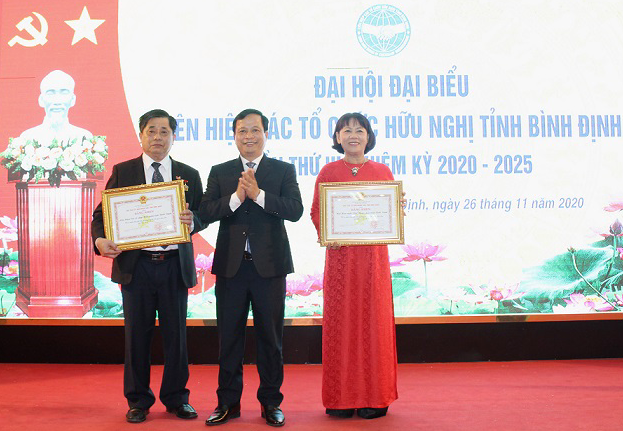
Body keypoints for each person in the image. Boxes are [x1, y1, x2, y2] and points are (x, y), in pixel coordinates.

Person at [91, 109, 204, 423]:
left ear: (173, 136)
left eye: (164, 131)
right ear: (141, 135)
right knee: (136, 336)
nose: (158, 137)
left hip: (173, 266)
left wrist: (193, 220)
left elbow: (202, 214)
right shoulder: (123, 171)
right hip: (137, 267)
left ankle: (176, 399)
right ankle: (138, 401)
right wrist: (100, 241)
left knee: (176, 338)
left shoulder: (188, 174)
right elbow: (102, 215)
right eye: (151, 131)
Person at [199, 108, 303, 427]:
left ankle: (271, 403)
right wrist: (235, 198)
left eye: (255, 130)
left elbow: (295, 210)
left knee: (270, 339)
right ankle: (228, 403)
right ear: (234, 135)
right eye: (242, 131)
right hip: (232, 269)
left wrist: (258, 196)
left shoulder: (282, 171)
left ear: (265, 134)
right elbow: (205, 211)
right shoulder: (220, 171)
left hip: (269, 269)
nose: (249, 136)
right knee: (229, 339)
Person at [310, 113, 398, 419]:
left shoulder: (382, 171)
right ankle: (340, 399)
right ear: (337, 137)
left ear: (368, 136)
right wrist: (328, 234)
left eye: (359, 130)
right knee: (342, 325)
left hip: (373, 261)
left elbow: (390, 214)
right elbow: (317, 212)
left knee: (374, 325)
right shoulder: (329, 172)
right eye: (346, 130)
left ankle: (376, 397)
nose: (353, 135)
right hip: (341, 261)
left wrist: (396, 210)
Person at [20, 70, 93, 144]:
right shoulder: (27, 138)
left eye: (64, 93)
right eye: (50, 93)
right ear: (41, 100)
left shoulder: (84, 138)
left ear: (73, 99)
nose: (57, 101)